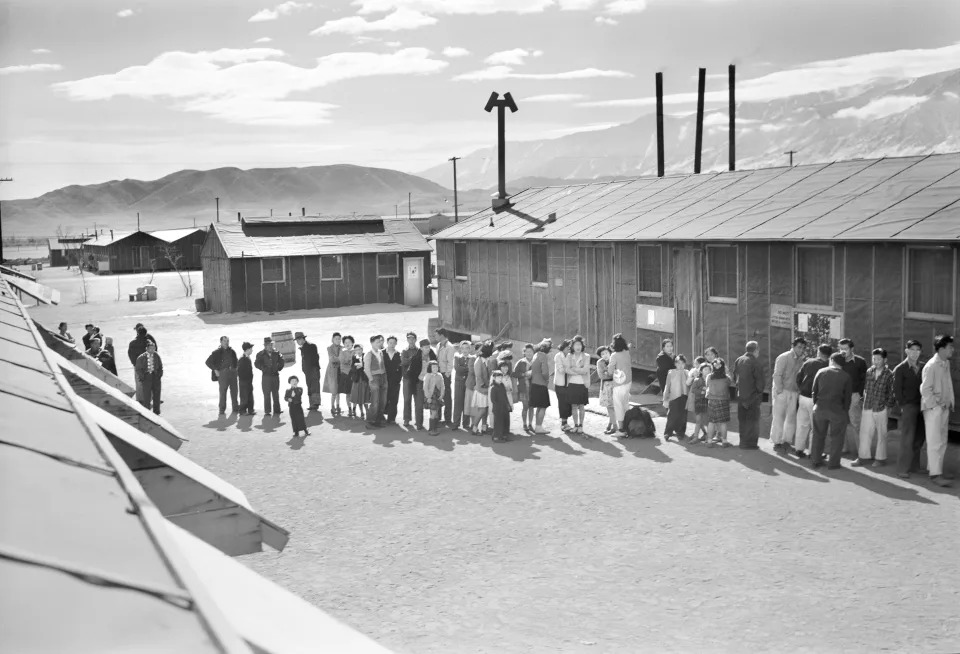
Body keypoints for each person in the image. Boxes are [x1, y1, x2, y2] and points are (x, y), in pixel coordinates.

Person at [921, 334, 955, 487]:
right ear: (941, 349)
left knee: (942, 440)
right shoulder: (932, 365)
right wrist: (935, 406)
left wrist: (949, 402)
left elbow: (948, 384)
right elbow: (925, 388)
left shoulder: (945, 362)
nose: (952, 350)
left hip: (943, 407)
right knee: (934, 441)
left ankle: (936, 469)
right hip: (934, 408)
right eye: (950, 347)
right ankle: (935, 474)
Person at [852, 348, 896, 468]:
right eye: (874, 359)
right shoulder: (869, 371)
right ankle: (862, 457)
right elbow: (866, 387)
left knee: (882, 433)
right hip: (868, 405)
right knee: (865, 432)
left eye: (879, 359)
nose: (876, 361)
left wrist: (888, 406)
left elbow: (892, 392)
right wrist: (863, 400)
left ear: (885, 360)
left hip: (881, 407)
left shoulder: (889, 374)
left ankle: (880, 459)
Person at [810, 352, 852, 470]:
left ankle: (816, 460)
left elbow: (814, 391)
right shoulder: (846, 376)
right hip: (837, 410)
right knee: (837, 437)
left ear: (832, 360)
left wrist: (816, 404)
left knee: (818, 435)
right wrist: (845, 411)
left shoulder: (821, 372)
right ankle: (833, 463)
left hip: (820, 408)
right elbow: (847, 398)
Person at [893, 340, 925, 478]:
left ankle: (915, 466)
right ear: (906, 351)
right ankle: (902, 468)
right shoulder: (900, 369)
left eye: (918, 350)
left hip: (923, 406)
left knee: (919, 437)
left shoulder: (924, 367)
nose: (915, 353)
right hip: (909, 406)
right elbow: (896, 391)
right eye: (912, 350)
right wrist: (903, 406)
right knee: (907, 437)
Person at [794, 344, 832, 458]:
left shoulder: (809, 362)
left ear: (819, 352)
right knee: (815, 427)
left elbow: (798, 378)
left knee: (802, 424)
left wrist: (801, 388)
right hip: (816, 399)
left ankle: (799, 449)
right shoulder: (828, 366)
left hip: (803, 396)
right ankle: (813, 452)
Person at [771, 337, 806, 453]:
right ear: (793, 346)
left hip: (794, 392)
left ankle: (787, 441)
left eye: (803, 348)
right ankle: (777, 441)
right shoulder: (784, 357)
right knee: (779, 417)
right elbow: (777, 375)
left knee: (791, 418)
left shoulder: (802, 359)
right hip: (782, 390)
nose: (801, 350)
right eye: (799, 347)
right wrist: (780, 390)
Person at [838, 338, 868, 456]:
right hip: (839, 395)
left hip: (854, 395)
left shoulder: (860, 361)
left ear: (852, 349)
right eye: (840, 349)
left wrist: (860, 394)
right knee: (841, 422)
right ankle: (843, 447)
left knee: (856, 423)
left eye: (845, 349)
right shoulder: (837, 360)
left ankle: (862, 450)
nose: (843, 351)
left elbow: (864, 379)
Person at [733, 341, 765, 450]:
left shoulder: (739, 360)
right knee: (753, 421)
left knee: (742, 420)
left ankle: (743, 442)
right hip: (753, 397)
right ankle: (751, 444)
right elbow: (760, 383)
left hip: (741, 396)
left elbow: (735, 377)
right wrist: (759, 394)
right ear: (756, 350)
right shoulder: (756, 363)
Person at [406, 338, 436, 430]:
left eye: (429, 347)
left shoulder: (433, 356)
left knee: (433, 404)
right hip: (419, 383)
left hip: (431, 383)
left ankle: (434, 424)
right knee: (419, 405)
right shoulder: (415, 358)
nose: (428, 349)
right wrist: (413, 384)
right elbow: (410, 373)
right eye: (426, 347)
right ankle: (419, 424)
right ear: (421, 348)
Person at [205, 335, 239, 417]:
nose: (226, 343)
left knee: (234, 392)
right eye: (224, 341)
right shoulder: (216, 352)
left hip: (233, 373)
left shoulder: (232, 351)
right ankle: (222, 410)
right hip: (223, 374)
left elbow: (236, 361)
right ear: (220, 342)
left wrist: (237, 370)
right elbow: (208, 362)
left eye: (227, 341)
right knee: (223, 392)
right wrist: (215, 370)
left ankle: (235, 408)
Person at [705, 358, 734, 447]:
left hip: (712, 401)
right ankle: (724, 441)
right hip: (723, 401)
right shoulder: (726, 378)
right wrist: (727, 371)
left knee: (711, 422)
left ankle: (709, 441)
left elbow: (707, 385)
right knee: (723, 422)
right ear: (723, 367)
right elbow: (730, 382)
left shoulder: (709, 377)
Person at [609, 334, 633, 434]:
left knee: (618, 405)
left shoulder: (614, 355)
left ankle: (621, 429)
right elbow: (627, 347)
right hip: (628, 381)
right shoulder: (627, 353)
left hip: (619, 383)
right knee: (625, 404)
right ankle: (628, 427)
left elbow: (610, 371)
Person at [255, 337, 285, 416]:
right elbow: (256, 364)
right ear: (265, 345)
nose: (270, 346)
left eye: (271, 344)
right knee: (266, 394)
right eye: (268, 345)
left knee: (276, 393)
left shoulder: (277, 353)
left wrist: (279, 367)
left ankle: (277, 410)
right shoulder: (260, 354)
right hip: (266, 377)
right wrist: (263, 368)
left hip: (275, 376)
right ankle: (267, 411)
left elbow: (282, 361)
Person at [566, 337, 590, 435]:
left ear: (582, 346)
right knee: (574, 406)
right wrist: (577, 370)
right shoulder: (569, 356)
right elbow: (567, 369)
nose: (578, 347)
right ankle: (575, 425)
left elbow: (585, 370)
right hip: (571, 383)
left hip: (582, 384)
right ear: (572, 346)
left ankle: (581, 426)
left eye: (579, 345)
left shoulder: (586, 356)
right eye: (576, 345)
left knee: (581, 406)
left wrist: (574, 369)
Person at [662, 354, 689, 441]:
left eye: (682, 363)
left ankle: (680, 432)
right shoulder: (671, 372)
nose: (680, 365)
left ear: (685, 364)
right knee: (672, 416)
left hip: (684, 397)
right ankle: (668, 432)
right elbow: (667, 385)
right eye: (678, 363)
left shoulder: (687, 372)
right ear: (675, 364)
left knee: (683, 416)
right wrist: (665, 398)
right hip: (674, 397)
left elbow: (690, 384)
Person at [363, 334, 387, 428]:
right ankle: (370, 421)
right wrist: (371, 379)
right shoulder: (368, 354)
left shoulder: (380, 352)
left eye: (380, 342)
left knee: (382, 400)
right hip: (374, 377)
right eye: (377, 342)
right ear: (372, 343)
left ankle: (378, 420)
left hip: (383, 376)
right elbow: (366, 368)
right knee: (375, 400)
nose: (379, 343)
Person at [295, 332, 322, 413]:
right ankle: (312, 404)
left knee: (314, 387)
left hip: (313, 370)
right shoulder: (304, 347)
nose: (297, 342)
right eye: (297, 340)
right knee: (310, 386)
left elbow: (314, 358)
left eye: (298, 340)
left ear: (302, 339)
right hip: (308, 371)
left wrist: (313, 369)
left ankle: (315, 404)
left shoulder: (310, 346)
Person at [530, 339, 552, 434]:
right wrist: (547, 379)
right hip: (541, 384)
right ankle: (539, 427)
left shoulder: (536, 355)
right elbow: (545, 372)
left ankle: (537, 426)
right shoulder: (543, 356)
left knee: (539, 407)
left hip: (534, 383)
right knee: (543, 407)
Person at [471, 341, 494, 435]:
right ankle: (474, 428)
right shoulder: (478, 361)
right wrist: (485, 388)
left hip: (486, 388)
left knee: (486, 409)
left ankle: (484, 428)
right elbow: (478, 377)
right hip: (481, 390)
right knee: (482, 410)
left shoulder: (486, 360)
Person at [135, 341, 163, 415]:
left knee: (157, 394)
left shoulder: (156, 355)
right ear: (146, 349)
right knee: (146, 395)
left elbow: (160, 366)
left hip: (156, 377)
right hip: (146, 377)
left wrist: (159, 375)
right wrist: (142, 377)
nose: (152, 350)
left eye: (153, 348)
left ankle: (156, 411)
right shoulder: (141, 357)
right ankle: (147, 412)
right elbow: (138, 369)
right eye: (150, 348)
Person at [434, 328, 456, 427]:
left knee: (446, 396)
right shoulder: (438, 345)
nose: (435, 337)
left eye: (436, 335)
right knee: (438, 395)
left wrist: (447, 374)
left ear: (442, 335)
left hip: (445, 374)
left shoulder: (449, 347)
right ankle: (438, 418)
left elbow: (450, 362)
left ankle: (447, 419)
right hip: (438, 373)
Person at [514, 343, 536, 433]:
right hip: (523, 388)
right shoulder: (521, 362)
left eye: (531, 351)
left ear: (533, 352)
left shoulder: (536, 361)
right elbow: (514, 373)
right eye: (527, 352)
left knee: (531, 407)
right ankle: (524, 424)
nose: (529, 353)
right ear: (524, 352)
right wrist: (523, 374)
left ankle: (530, 424)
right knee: (525, 407)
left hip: (533, 388)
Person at [688, 362, 712, 443]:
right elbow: (694, 390)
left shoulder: (711, 379)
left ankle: (708, 437)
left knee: (708, 421)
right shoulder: (697, 380)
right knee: (698, 420)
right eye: (705, 369)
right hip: (699, 402)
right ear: (701, 371)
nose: (707, 371)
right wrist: (702, 391)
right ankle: (695, 437)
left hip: (708, 402)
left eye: (709, 370)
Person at [596, 346, 616, 434]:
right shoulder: (600, 362)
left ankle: (613, 426)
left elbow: (618, 373)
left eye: (606, 353)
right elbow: (601, 376)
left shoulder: (614, 360)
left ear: (610, 353)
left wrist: (607, 372)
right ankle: (612, 425)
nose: (605, 355)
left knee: (613, 407)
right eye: (602, 354)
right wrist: (610, 373)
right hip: (606, 386)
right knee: (609, 407)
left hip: (616, 385)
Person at [400, 332, 419, 427]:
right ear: (407, 340)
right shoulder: (404, 350)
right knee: (407, 399)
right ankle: (406, 419)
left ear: (416, 339)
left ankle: (418, 420)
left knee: (417, 400)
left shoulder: (419, 350)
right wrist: (413, 359)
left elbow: (419, 362)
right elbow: (403, 362)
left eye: (412, 338)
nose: (411, 340)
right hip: (407, 378)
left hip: (417, 379)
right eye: (409, 338)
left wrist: (410, 360)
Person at [452, 340, 472, 429]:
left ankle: (466, 423)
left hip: (468, 383)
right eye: (463, 348)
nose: (465, 350)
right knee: (458, 402)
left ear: (470, 349)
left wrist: (464, 368)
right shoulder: (457, 357)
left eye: (467, 348)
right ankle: (456, 423)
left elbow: (471, 370)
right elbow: (457, 369)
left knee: (467, 402)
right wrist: (466, 368)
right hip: (459, 382)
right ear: (460, 349)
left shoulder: (472, 358)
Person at [383, 336, 403, 424]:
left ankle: (391, 418)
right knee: (383, 398)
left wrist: (398, 379)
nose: (392, 344)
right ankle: (382, 416)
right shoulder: (382, 353)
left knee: (394, 399)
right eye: (390, 342)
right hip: (383, 380)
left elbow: (401, 368)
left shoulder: (399, 354)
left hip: (395, 381)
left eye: (393, 343)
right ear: (387, 343)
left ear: (396, 343)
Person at [553, 339, 572, 432]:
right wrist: (570, 369)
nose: (569, 348)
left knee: (569, 403)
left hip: (568, 383)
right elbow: (561, 370)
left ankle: (566, 422)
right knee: (562, 403)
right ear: (563, 347)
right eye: (568, 347)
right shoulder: (558, 356)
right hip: (560, 384)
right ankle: (563, 423)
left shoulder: (569, 356)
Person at [422, 360, 445, 435]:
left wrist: (442, 395)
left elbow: (442, 386)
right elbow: (425, 387)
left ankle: (434, 427)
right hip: (431, 396)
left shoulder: (440, 375)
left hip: (437, 396)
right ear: (430, 368)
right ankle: (432, 429)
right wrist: (428, 397)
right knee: (433, 412)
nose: (435, 369)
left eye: (436, 367)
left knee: (436, 411)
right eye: (433, 367)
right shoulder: (428, 376)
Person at [490, 369, 512, 442]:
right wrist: (498, 408)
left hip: (504, 408)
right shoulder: (493, 388)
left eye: (500, 377)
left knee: (505, 422)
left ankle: (503, 436)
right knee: (498, 423)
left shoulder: (502, 385)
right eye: (498, 377)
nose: (500, 379)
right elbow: (493, 400)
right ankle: (496, 437)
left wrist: (508, 405)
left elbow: (505, 396)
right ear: (494, 378)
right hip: (498, 409)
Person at [322, 333, 342, 415]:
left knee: (338, 390)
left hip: (340, 370)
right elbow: (332, 358)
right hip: (332, 371)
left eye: (339, 339)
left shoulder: (342, 348)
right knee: (334, 390)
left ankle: (338, 406)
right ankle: (332, 406)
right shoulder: (329, 348)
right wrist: (341, 358)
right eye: (336, 338)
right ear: (332, 339)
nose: (338, 340)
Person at [462, 342, 480, 430]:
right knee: (470, 405)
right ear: (476, 350)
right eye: (479, 349)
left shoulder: (484, 358)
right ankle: (470, 424)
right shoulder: (472, 359)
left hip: (480, 386)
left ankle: (475, 424)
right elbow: (473, 371)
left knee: (476, 406)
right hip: (471, 385)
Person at [350, 343, 369, 420]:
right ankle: (361, 412)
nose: (358, 351)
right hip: (357, 380)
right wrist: (356, 367)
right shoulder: (354, 357)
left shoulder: (366, 356)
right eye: (356, 350)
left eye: (359, 349)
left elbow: (368, 366)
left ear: (362, 349)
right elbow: (352, 368)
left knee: (365, 397)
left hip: (365, 379)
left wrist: (362, 365)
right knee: (358, 397)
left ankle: (367, 412)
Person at [338, 335, 356, 417]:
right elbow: (343, 362)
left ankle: (354, 409)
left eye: (349, 342)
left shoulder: (356, 351)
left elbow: (356, 362)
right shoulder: (342, 352)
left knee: (355, 393)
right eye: (345, 342)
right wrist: (350, 360)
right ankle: (349, 409)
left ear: (353, 343)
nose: (347, 344)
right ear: (344, 344)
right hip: (345, 375)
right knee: (348, 393)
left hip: (355, 375)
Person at [238, 342, 256, 416]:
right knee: (244, 397)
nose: (252, 350)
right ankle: (242, 411)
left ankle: (250, 410)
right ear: (247, 349)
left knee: (250, 396)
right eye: (251, 349)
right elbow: (240, 372)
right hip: (244, 381)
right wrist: (246, 379)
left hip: (248, 381)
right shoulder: (242, 359)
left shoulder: (247, 357)